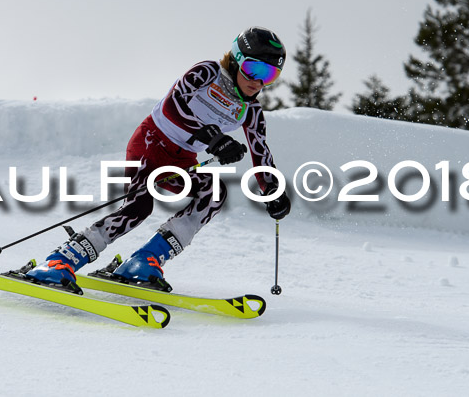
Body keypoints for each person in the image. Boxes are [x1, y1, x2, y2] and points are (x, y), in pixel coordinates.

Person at [24, 26, 292, 290]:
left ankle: (144, 260)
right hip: (149, 144)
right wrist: (213, 138)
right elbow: (172, 106)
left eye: (270, 75)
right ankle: (59, 261)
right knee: (137, 208)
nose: (258, 81)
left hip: (182, 160)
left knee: (214, 192)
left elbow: (261, 151)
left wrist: (272, 190)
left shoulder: (251, 110)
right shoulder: (207, 72)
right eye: (254, 69)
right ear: (235, 61)